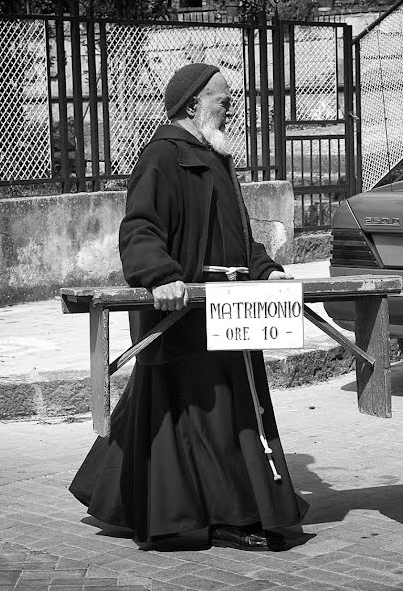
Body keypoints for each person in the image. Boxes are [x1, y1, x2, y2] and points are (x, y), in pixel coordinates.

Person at [69, 63, 308, 548]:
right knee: (209, 415)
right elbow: (139, 228)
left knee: (226, 409)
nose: (231, 107)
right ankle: (230, 514)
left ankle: (127, 495)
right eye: (223, 99)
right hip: (188, 314)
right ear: (191, 104)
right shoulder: (162, 157)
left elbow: (234, 234)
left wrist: (265, 269)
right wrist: (160, 276)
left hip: (231, 312)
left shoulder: (214, 155)